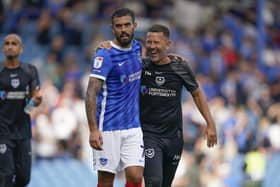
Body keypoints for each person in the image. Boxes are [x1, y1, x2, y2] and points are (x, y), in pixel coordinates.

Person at [140, 24, 217, 187]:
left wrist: (210, 124)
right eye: (149, 43)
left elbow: (197, 94)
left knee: (165, 184)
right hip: (149, 135)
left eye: (156, 43)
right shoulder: (141, 66)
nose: (152, 47)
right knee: (154, 182)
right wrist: (107, 46)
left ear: (168, 44)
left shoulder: (180, 67)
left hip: (174, 137)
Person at [85, 8, 144, 187]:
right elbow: (90, 93)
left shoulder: (138, 47)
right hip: (108, 127)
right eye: (118, 26)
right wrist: (93, 129)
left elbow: (154, 57)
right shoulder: (105, 54)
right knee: (105, 181)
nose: (123, 29)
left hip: (133, 126)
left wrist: (170, 57)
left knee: (135, 177)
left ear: (135, 26)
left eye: (127, 25)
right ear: (113, 29)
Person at [0, 34, 42, 187]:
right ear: (3, 48)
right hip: (2, 131)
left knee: (24, 177)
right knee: (6, 174)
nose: (10, 46)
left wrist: (35, 102)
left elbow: (33, 100)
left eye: (14, 43)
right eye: (7, 43)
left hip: (23, 130)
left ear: (21, 48)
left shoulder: (30, 71)